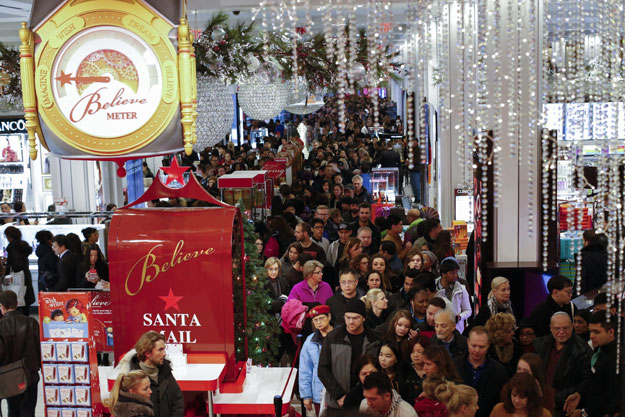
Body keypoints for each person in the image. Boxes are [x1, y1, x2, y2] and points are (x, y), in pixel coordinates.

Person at [318, 298, 381, 410]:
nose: (351, 321)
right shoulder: (333, 337)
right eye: (348, 317)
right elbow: (323, 369)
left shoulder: (374, 340)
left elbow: (380, 369)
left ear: (363, 318)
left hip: (367, 400)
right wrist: (339, 395)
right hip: (337, 401)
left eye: (355, 318)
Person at [562, 310, 620, 417]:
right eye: (590, 331)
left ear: (611, 332)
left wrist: (584, 413)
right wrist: (579, 393)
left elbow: (612, 397)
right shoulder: (601, 350)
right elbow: (594, 381)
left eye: (596, 332)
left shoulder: (616, 358)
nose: (592, 336)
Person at [533, 312, 592, 417]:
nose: (561, 332)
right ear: (551, 328)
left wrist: (562, 397)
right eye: (557, 329)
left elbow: (587, 380)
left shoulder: (582, 349)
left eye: (565, 328)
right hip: (540, 401)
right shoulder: (540, 344)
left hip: (565, 405)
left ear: (572, 327)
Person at [115, 331, 183, 417]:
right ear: (147, 353)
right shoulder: (131, 377)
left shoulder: (166, 371)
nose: (164, 353)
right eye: (160, 350)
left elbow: (177, 400)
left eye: (164, 349)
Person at [0, 290, 40, 416]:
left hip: (10, 377)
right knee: (29, 410)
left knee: (13, 410)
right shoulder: (32, 322)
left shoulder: (1, 325)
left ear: (2, 306)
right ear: (17, 303)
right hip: (31, 375)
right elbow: (40, 349)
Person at [454, 326, 508, 417]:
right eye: (473, 345)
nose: (477, 350)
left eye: (481, 347)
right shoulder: (454, 366)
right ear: (467, 342)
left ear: (488, 344)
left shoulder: (499, 371)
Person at [299, 305, 333, 416]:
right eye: (315, 320)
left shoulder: (340, 336)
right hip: (318, 392)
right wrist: (306, 395)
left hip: (339, 390)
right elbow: (305, 369)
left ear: (329, 317)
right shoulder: (310, 341)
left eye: (321, 318)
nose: (318, 322)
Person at [3, 226, 35, 315]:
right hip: (25, 277)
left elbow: (16, 266)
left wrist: (7, 265)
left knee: (17, 302)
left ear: (10, 237)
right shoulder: (22, 247)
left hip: (17, 279)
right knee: (25, 304)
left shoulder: (14, 248)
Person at [435, 258, 472, 333]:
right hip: (437, 326)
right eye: (452, 273)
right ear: (444, 274)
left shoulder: (461, 289)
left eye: (456, 272)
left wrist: (460, 317)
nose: (456, 275)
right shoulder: (433, 286)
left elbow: (468, 310)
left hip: (456, 329)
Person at [484, 313, 522, 377]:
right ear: (500, 334)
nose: (513, 333)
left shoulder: (516, 346)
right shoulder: (487, 349)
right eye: (509, 331)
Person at [579, 229, 607, 294]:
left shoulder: (584, 257)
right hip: (604, 295)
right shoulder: (606, 255)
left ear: (587, 242)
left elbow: (582, 281)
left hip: (588, 296)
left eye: (583, 240)